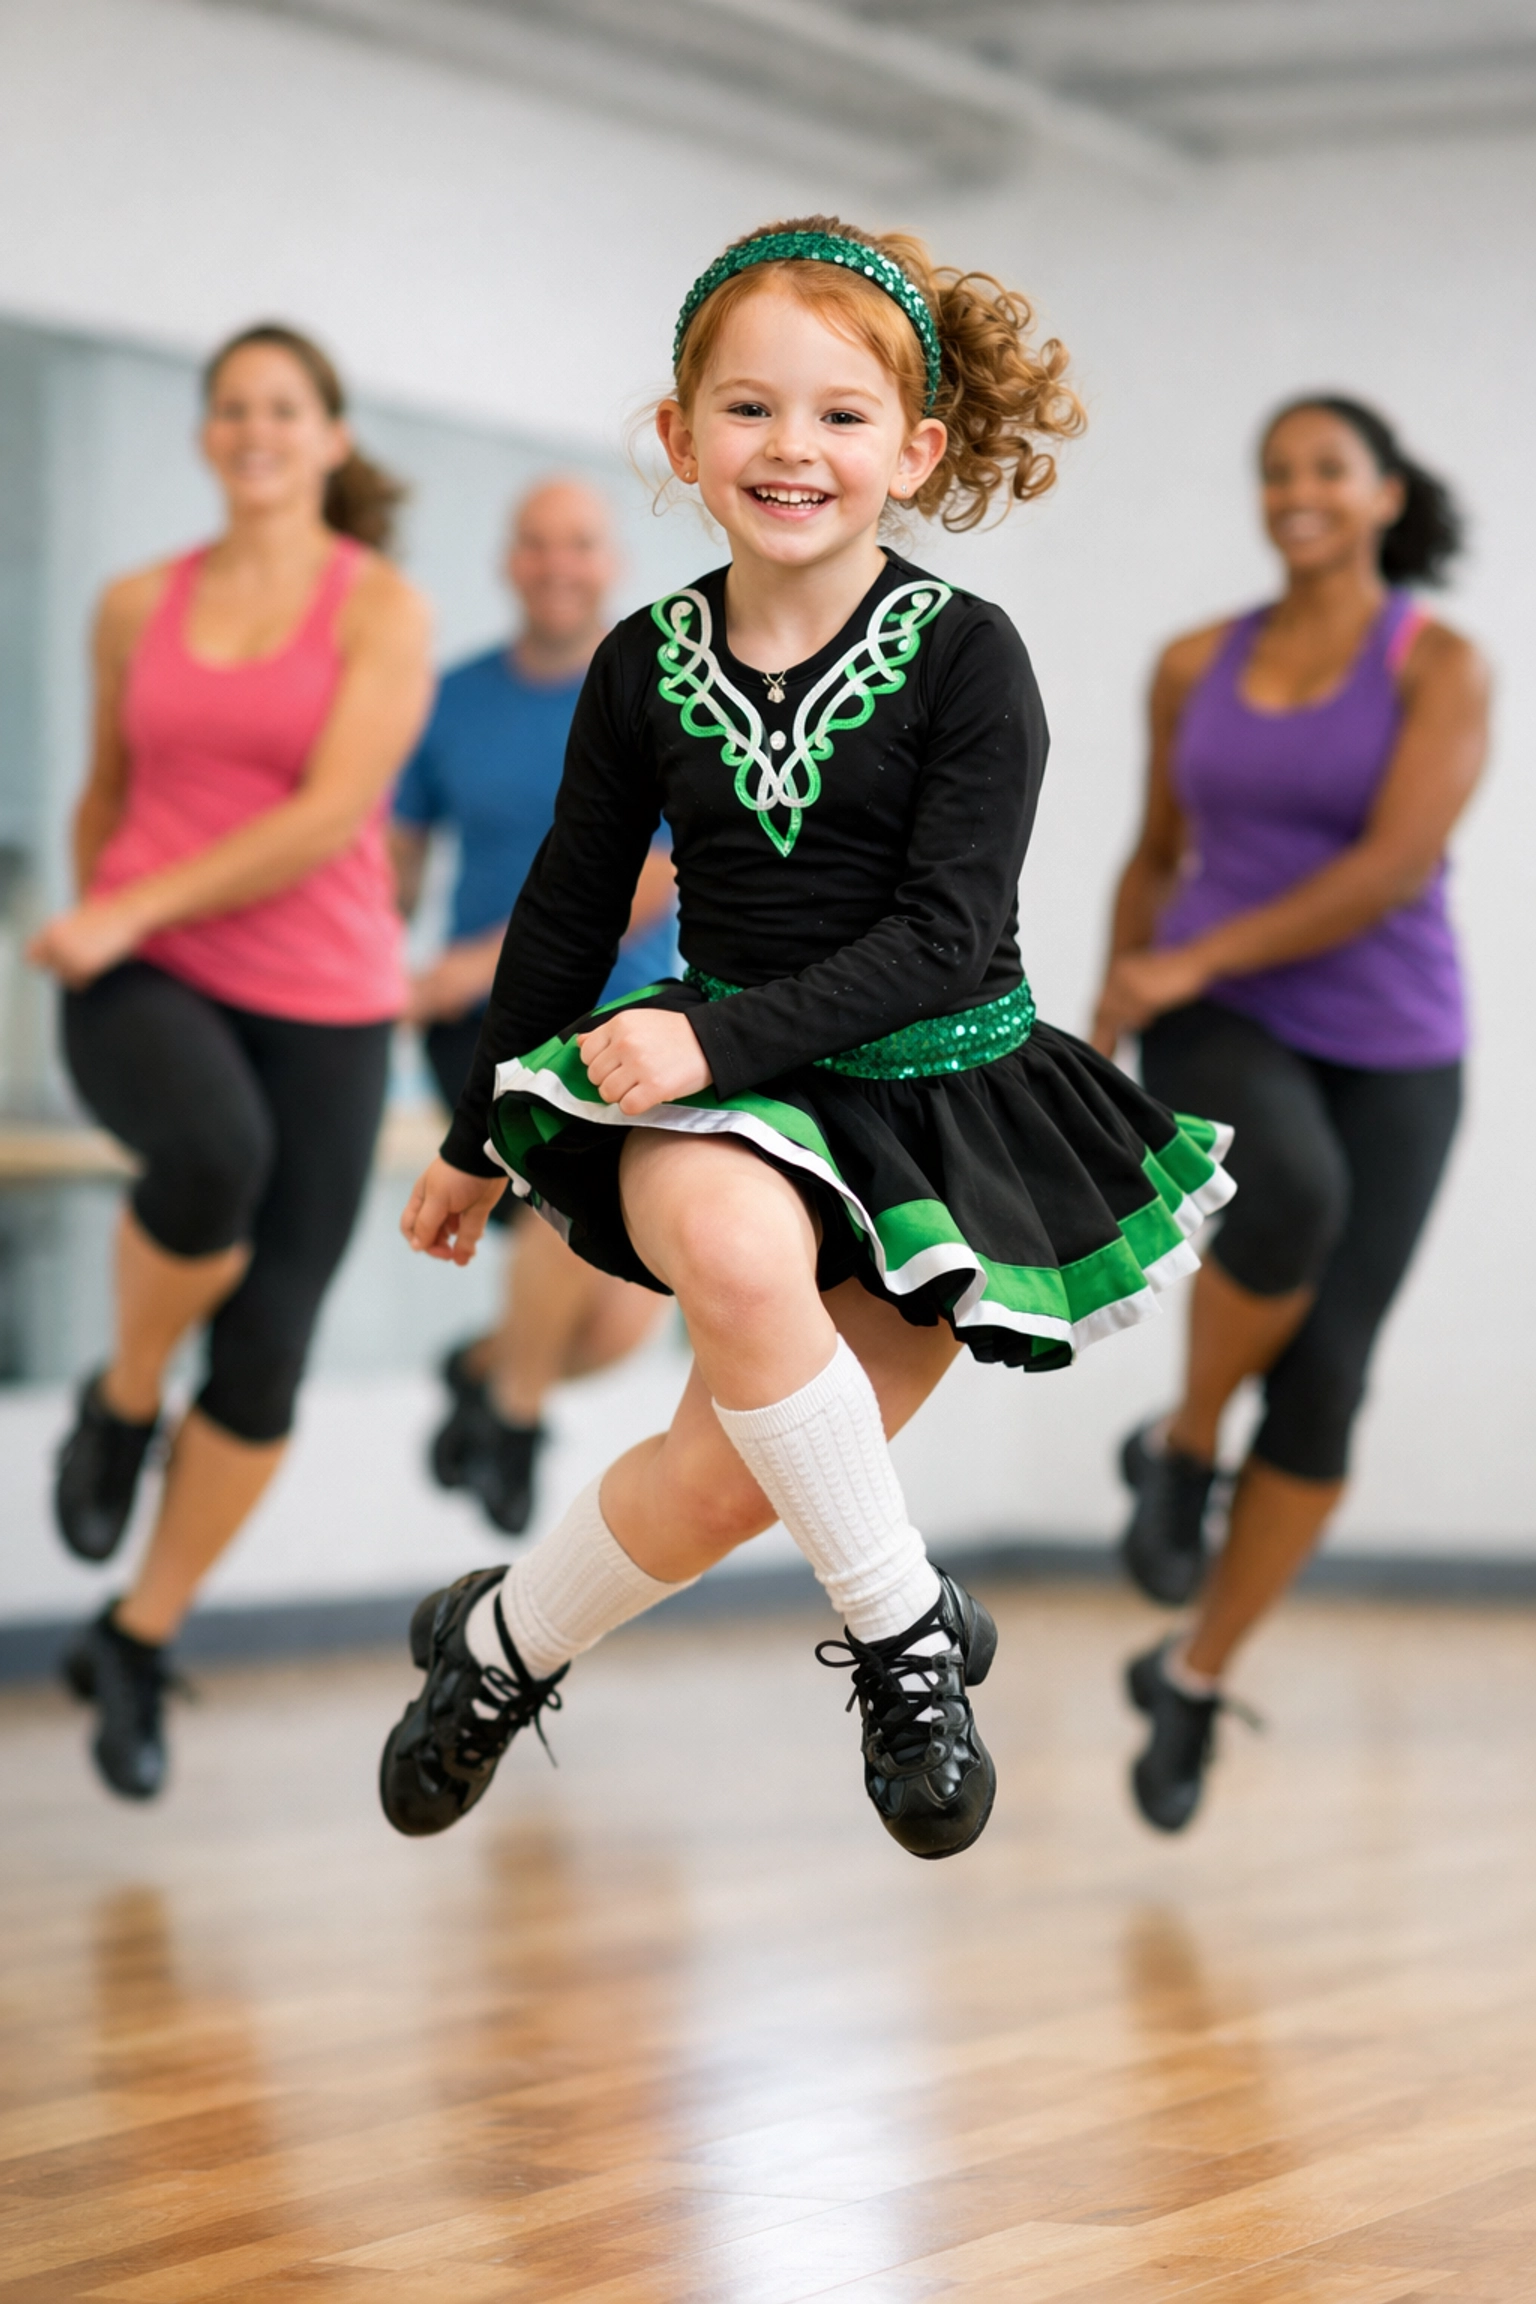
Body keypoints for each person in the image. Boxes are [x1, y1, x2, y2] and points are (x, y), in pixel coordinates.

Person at [376, 216, 1233, 1863]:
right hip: (721, 1089)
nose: (792, 448)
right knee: (750, 1273)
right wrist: (480, 1133)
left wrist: (721, 1043)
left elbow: (940, 934)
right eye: (750, 408)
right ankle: (909, 1639)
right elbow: (565, 911)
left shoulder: (974, 658)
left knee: (721, 1482)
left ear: (912, 449)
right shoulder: (642, 662)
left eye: (840, 415)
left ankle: (497, 1647)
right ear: (685, 434)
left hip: (942, 1097)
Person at [28, 323, 432, 1801]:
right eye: (230, 409)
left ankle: (135, 1641)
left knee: (267, 1350)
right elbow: (109, 791)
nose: (253, 429)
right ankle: (125, 1396)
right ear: (207, 438)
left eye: (283, 407)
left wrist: (128, 896)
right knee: (211, 1163)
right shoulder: (137, 603)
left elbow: (334, 815)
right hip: (146, 971)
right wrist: (103, 912)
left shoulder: (382, 608)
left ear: (329, 438)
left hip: (326, 997)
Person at [1092, 395, 1488, 1832]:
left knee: (1330, 1378)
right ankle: (1188, 1441)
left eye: (1327, 469)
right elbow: (1153, 852)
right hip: (1218, 1021)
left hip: (1397, 1042)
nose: (1297, 492)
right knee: (1293, 1200)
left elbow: (1394, 867)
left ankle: (1191, 1678)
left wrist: (1196, 947)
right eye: (1275, 472)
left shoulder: (1442, 667)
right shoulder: (1196, 660)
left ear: (1386, 494)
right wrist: (1116, 995)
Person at [390, 479, 676, 1533]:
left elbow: (665, 873)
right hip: (490, 1024)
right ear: (510, 562)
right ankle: (513, 1418)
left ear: (611, 563)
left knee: (620, 1328)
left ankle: (481, 1373)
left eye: (581, 545)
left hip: (637, 1009)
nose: (558, 564)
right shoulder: (448, 699)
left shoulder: (665, 689)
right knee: (571, 1155)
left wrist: (471, 961)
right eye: (537, 545)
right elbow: (397, 867)